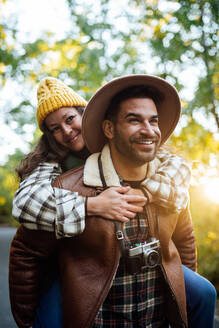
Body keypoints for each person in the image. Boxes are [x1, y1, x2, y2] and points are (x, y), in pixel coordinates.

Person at [9, 76, 216, 327]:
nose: (66, 131)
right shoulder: (51, 165)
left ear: (85, 115)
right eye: (54, 128)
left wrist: (147, 192)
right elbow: (25, 204)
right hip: (72, 263)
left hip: (134, 263)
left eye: (70, 119)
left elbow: (178, 168)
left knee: (203, 292)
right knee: (52, 316)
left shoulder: (135, 145)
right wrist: (91, 204)